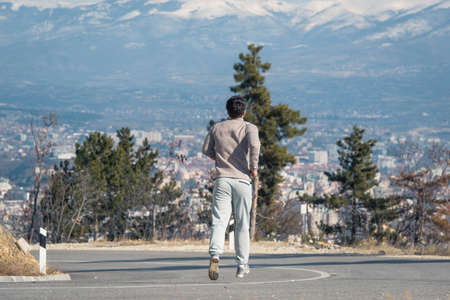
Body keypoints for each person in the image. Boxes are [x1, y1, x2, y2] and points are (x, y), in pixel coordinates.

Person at [202, 95, 261, 280]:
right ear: (244, 112)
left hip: (222, 179)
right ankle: (242, 265)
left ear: (227, 111)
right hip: (242, 180)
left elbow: (206, 150)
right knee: (242, 224)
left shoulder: (217, 128)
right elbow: (254, 145)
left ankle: (215, 254)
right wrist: (253, 167)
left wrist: (220, 158)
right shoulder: (249, 128)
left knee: (220, 220)